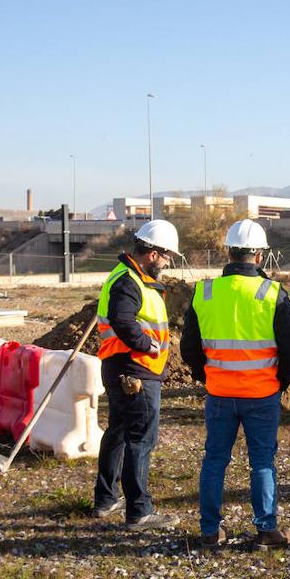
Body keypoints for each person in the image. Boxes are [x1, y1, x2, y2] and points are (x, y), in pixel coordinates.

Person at [181, 219, 290, 549]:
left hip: (219, 392)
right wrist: (281, 381)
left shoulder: (205, 292)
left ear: (229, 253)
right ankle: (266, 529)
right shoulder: (273, 293)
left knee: (214, 460)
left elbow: (189, 347)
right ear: (260, 256)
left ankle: (209, 531)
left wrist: (206, 375)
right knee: (262, 461)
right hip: (262, 394)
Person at [92, 219, 182, 530]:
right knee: (141, 438)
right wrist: (149, 346)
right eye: (166, 255)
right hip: (135, 370)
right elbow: (123, 320)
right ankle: (139, 511)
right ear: (153, 253)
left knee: (118, 432)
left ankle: (106, 500)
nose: (167, 262)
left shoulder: (129, 277)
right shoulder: (129, 281)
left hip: (122, 368)